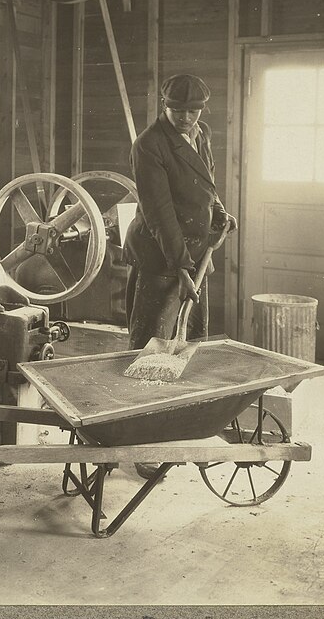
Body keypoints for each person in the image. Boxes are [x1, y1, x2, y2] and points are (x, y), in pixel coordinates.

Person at [122, 74, 238, 480]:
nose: (187, 117)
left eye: (194, 110)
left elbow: (205, 181)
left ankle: (182, 422)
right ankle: (141, 440)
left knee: (191, 336)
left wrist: (219, 209)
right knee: (151, 345)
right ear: (163, 106)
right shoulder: (149, 146)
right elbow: (159, 213)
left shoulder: (200, 133)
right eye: (178, 110)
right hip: (162, 252)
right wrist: (183, 268)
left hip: (197, 248)